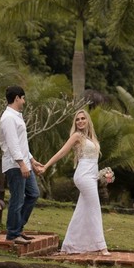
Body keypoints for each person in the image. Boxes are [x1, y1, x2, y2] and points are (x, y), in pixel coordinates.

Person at [40, 108, 111, 255]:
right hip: (83, 176)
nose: (80, 121)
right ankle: (101, 247)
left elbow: (92, 162)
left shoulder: (92, 139)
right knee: (94, 209)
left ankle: (69, 245)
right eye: (77, 119)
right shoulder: (77, 136)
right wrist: (46, 166)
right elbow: (62, 152)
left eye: (83, 118)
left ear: (88, 120)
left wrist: (103, 175)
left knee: (82, 211)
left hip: (91, 176)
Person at [0, 85, 44, 244]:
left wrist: (31, 160)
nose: (24, 101)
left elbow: (21, 143)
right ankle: (13, 233)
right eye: (23, 98)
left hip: (25, 163)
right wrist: (22, 164)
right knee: (17, 199)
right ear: (17, 97)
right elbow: (12, 144)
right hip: (15, 165)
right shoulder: (8, 118)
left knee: (33, 194)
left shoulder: (17, 116)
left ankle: (18, 228)